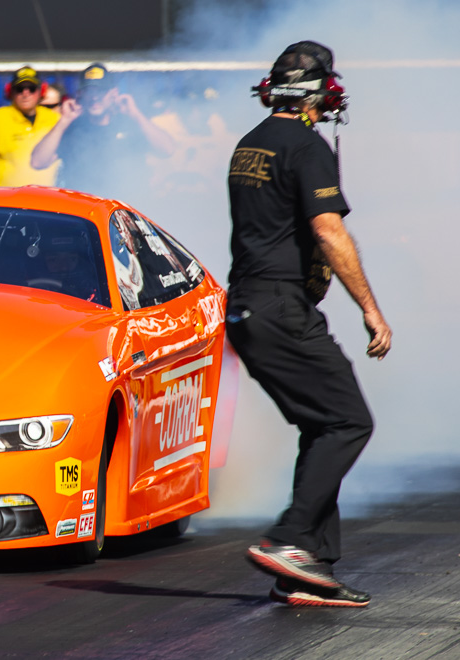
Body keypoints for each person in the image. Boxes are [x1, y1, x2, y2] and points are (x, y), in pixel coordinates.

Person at [225, 41, 392, 608]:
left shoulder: (250, 144)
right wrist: (370, 308)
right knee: (348, 422)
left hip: (246, 307)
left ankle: (307, 570)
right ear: (317, 90)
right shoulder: (305, 144)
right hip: (280, 307)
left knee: (323, 425)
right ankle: (293, 541)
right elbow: (328, 232)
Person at [30, 63, 175, 200]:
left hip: (127, 207)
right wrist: (63, 122)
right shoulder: (72, 128)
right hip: (84, 211)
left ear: (114, 93)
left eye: (101, 91)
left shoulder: (130, 123)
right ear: (80, 94)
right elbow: (37, 162)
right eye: (89, 91)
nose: (94, 97)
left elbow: (167, 149)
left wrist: (136, 114)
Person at [0, 66, 60, 187]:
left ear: (42, 91)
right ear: (10, 92)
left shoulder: (54, 119)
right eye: (20, 89)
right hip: (3, 202)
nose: (25, 93)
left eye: (31, 88)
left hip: (47, 200)